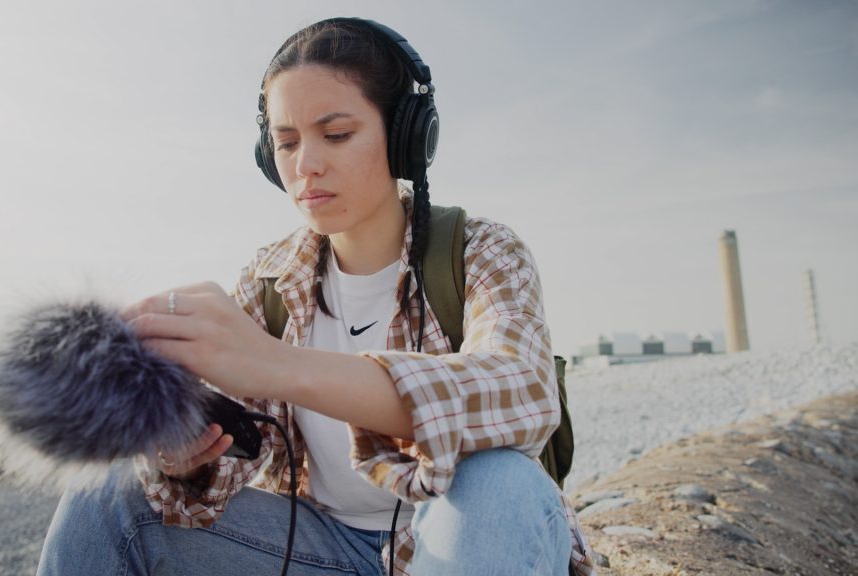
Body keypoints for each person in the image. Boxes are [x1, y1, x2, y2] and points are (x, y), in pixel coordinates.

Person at [37, 17, 596, 576]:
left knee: (499, 479)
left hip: (470, 544)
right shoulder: (270, 280)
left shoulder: (481, 250)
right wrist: (186, 459)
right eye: (285, 142)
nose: (306, 165)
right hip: (320, 548)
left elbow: (522, 391)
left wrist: (279, 366)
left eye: (336, 135)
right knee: (109, 495)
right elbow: (234, 465)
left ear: (406, 135)